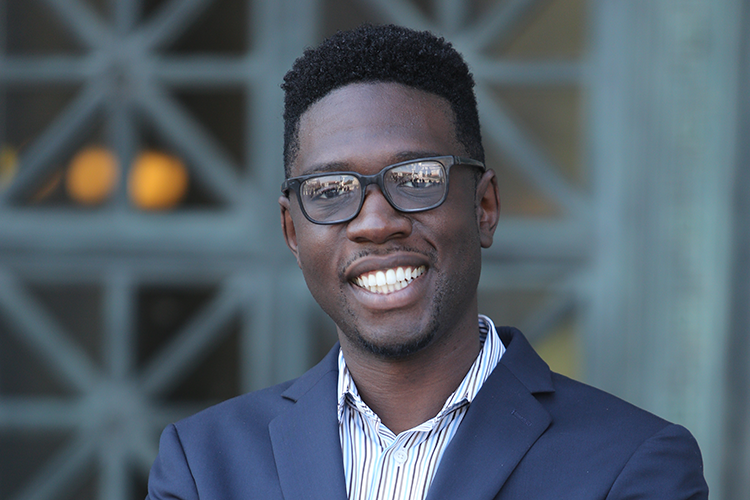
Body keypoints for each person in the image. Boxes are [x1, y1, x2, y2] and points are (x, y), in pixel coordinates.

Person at [146, 24, 708, 499]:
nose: (373, 222)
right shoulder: (201, 466)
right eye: (330, 189)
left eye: (416, 180)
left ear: (484, 207)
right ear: (293, 231)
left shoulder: (631, 464)